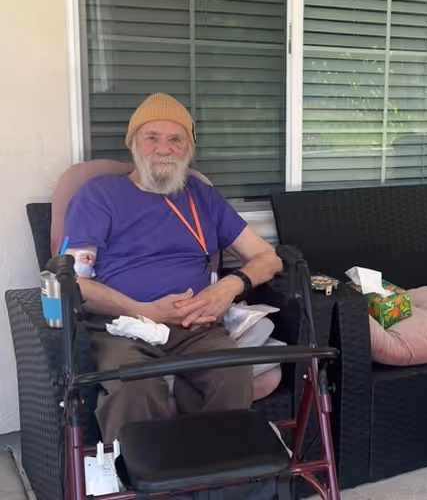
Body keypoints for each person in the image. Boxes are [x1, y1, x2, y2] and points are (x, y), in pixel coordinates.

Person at [63, 93, 284, 440]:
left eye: (176, 139)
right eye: (152, 137)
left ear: (188, 149)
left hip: (196, 323)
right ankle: (137, 472)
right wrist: (143, 310)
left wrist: (229, 287)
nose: (164, 148)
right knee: (136, 387)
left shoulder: (202, 196)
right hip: (124, 324)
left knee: (231, 372)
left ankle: (216, 468)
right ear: (133, 144)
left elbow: (268, 258)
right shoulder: (99, 194)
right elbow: (75, 281)